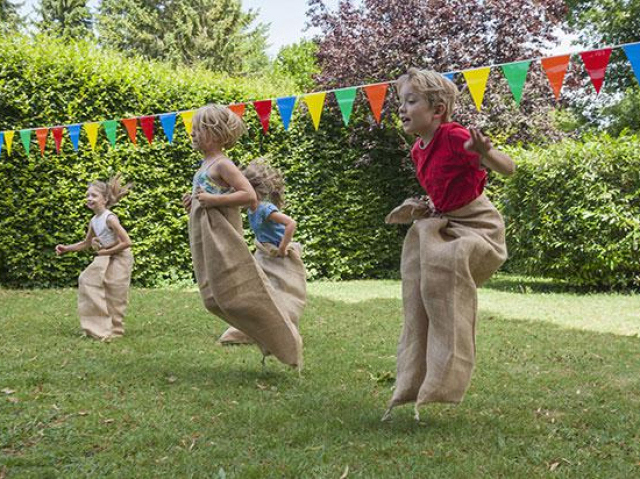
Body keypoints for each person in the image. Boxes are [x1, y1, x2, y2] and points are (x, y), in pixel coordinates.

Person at [382, 68, 516, 421]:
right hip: (446, 220)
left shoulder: (455, 136)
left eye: (411, 101)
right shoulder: (417, 150)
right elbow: (439, 185)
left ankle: (449, 373)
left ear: (437, 110)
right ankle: (416, 378)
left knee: (445, 277)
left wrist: (484, 153)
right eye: (401, 101)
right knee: (420, 289)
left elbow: (509, 168)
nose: (402, 108)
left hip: (476, 224)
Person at [184, 105, 303, 368]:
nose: (191, 132)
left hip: (223, 237)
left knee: (231, 292)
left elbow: (248, 196)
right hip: (205, 234)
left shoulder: (223, 163)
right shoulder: (205, 164)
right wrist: (193, 200)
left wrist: (213, 199)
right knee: (212, 297)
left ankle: (281, 334)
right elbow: (206, 193)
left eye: (198, 128)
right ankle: (257, 331)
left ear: (215, 134)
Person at [218, 159, 307, 347]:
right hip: (263, 253)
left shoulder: (265, 209)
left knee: (282, 293)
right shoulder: (250, 209)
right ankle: (254, 329)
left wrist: (283, 248)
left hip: (280, 256)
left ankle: (284, 329)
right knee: (258, 290)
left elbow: (291, 223)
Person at [55, 174, 134, 340]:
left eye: (93, 195)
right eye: (87, 195)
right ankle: (97, 327)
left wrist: (106, 251)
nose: (89, 198)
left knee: (115, 292)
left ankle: (115, 330)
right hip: (107, 255)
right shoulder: (94, 220)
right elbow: (86, 242)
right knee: (87, 280)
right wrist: (66, 248)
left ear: (104, 199)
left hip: (121, 257)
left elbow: (127, 242)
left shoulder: (110, 218)